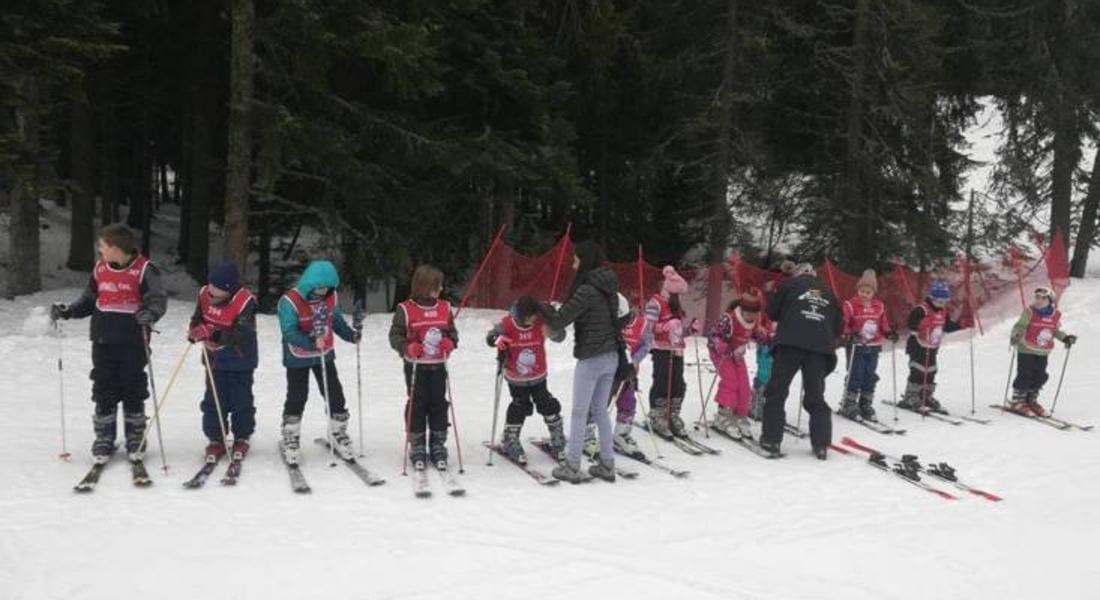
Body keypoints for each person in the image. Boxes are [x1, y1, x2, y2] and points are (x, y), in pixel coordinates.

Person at [50, 223, 167, 463]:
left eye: (102, 246)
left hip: (133, 341)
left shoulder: (145, 270)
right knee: (104, 387)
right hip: (103, 340)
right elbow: (89, 300)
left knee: (133, 387)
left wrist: (151, 313)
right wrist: (69, 311)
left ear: (115, 248)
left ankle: (136, 436)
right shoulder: (100, 268)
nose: (99, 249)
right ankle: (104, 437)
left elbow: (157, 299)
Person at [540, 241, 622, 483]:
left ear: (585, 261)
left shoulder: (587, 290)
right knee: (599, 411)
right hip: (612, 356)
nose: (573, 264)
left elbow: (561, 319)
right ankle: (607, 464)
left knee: (578, 412)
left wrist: (546, 310)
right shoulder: (609, 286)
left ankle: (573, 465)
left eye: (576, 259)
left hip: (592, 357)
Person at [277, 260, 360, 464]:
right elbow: (289, 332)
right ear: (309, 284)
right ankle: (291, 435)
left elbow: (336, 321)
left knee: (334, 393)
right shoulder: (289, 301)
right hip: (297, 356)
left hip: (325, 355)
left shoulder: (331, 298)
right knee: (297, 395)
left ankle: (338, 431)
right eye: (319, 287)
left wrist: (350, 335)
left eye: (327, 288)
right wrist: (311, 341)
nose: (322, 292)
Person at [760, 263, 843, 459]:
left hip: (790, 343)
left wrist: (771, 294)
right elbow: (839, 326)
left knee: (777, 392)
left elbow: (772, 312)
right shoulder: (829, 292)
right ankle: (821, 444)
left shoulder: (789, 285)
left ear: (798, 274)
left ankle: (771, 440)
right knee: (816, 396)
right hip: (819, 349)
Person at [388, 265, 458, 471]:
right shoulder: (405, 309)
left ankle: (438, 444)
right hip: (416, 366)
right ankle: (417, 444)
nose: (441, 289)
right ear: (424, 287)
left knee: (438, 403)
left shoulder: (444, 307)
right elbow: (395, 335)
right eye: (437, 286)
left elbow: (452, 333)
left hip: (437, 365)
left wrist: (450, 342)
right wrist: (407, 347)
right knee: (417, 403)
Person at [187, 263, 258, 463]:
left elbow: (242, 333)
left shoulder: (245, 301)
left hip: (240, 360)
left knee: (240, 399)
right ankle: (215, 438)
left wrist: (214, 334)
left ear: (228, 288)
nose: (211, 289)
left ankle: (242, 436)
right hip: (214, 360)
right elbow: (197, 318)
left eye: (216, 287)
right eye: (210, 284)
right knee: (213, 399)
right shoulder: (204, 294)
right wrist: (195, 331)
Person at [486, 296, 566, 464]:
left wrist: (553, 330)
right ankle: (510, 439)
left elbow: (560, 336)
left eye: (534, 317)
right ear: (520, 316)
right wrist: (498, 341)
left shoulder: (540, 323)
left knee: (546, 403)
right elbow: (491, 337)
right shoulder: (508, 324)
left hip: (538, 375)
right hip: (516, 377)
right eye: (529, 318)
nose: (532, 320)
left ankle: (557, 437)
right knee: (520, 405)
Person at [583, 293, 651, 457]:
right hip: (607, 372)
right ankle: (587, 436)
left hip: (627, 373)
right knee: (599, 403)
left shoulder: (641, 325)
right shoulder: (608, 323)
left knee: (628, 402)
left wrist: (635, 359)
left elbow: (646, 344)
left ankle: (621, 435)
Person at [645, 266, 700, 439]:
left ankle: (673, 414)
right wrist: (664, 327)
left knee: (678, 382)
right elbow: (647, 329)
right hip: (661, 348)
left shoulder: (676, 305)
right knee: (662, 380)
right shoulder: (655, 303)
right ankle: (657, 415)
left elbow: (678, 331)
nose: (681, 297)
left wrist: (690, 329)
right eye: (678, 294)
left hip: (677, 349)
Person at [708, 289, 770, 439]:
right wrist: (727, 348)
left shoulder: (755, 320)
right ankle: (723, 415)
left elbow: (759, 334)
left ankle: (739, 415)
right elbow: (714, 337)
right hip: (721, 354)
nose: (752, 316)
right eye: (749, 312)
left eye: (755, 313)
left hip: (737, 354)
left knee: (743, 383)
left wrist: (771, 338)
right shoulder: (729, 318)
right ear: (742, 309)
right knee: (731, 382)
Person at [896, 279, 965, 413]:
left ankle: (925, 395)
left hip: (932, 346)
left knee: (931, 370)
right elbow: (911, 322)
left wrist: (960, 325)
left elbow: (947, 326)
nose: (941, 304)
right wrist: (919, 325)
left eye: (944, 302)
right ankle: (911, 396)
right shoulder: (921, 309)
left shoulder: (943, 312)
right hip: (917, 346)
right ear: (932, 298)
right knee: (918, 370)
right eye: (939, 301)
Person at [838, 269, 897, 422]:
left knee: (870, 375)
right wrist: (849, 334)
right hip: (857, 345)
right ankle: (849, 403)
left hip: (874, 345)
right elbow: (843, 323)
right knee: (855, 373)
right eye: (862, 291)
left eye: (868, 291)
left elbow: (883, 324)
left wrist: (889, 333)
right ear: (858, 290)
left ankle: (865, 402)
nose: (865, 294)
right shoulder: (851, 304)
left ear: (873, 292)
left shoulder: (879, 306)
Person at [1008, 287, 1076, 416]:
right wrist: (1016, 334)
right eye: (1037, 297)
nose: (1038, 300)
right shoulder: (1030, 312)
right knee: (1025, 374)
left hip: (1043, 351)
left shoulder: (1055, 315)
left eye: (1042, 298)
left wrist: (1065, 338)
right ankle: (1018, 400)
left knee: (1040, 375)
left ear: (1050, 300)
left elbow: (1054, 331)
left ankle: (1030, 399)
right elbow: (1020, 326)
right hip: (1026, 348)